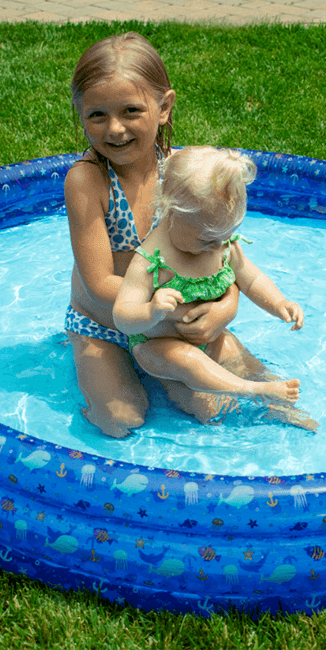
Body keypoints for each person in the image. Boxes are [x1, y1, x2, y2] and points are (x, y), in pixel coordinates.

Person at [64, 32, 244, 438]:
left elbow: (221, 251)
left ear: (164, 107)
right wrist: (172, 309)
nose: (115, 129)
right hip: (106, 326)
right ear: (80, 113)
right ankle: (91, 367)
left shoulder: (181, 172)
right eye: (97, 115)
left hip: (167, 323)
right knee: (121, 421)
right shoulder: (88, 182)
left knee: (218, 407)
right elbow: (98, 283)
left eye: (131, 111)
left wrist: (224, 308)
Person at [113, 146, 315, 421]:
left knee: (242, 359)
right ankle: (250, 390)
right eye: (207, 239)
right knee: (192, 370)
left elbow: (252, 279)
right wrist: (152, 310)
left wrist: (279, 303)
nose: (218, 246)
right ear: (170, 210)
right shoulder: (152, 260)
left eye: (226, 235)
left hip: (210, 338)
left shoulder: (219, 242)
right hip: (158, 348)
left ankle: (279, 404)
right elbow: (122, 316)